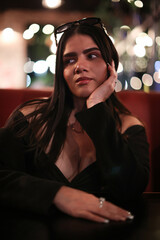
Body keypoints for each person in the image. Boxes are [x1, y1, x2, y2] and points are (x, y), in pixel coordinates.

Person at [0, 17, 149, 223]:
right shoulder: (29, 118)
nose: (79, 66)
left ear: (111, 65)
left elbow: (129, 190)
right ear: (62, 72)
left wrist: (96, 106)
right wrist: (57, 194)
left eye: (92, 55)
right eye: (69, 60)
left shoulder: (128, 127)